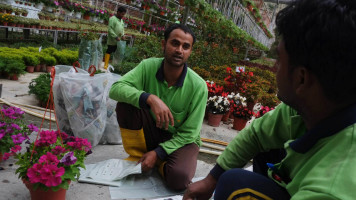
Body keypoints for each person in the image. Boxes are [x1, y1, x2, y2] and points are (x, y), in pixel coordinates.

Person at [183, 0, 356, 199]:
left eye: (279, 59)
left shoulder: (332, 188)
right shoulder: (310, 105)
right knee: (258, 156)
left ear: (301, 78)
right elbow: (256, 134)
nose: (274, 68)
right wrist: (210, 179)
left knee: (235, 184)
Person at [109, 23, 208, 191]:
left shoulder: (198, 86)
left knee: (179, 180)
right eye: (175, 43)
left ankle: (157, 161)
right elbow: (115, 89)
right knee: (125, 105)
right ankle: (139, 155)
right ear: (164, 44)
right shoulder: (148, 67)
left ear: (190, 51)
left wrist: (158, 153)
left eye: (186, 46)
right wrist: (149, 98)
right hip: (153, 129)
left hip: (182, 140)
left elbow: (189, 133)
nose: (179, 50)